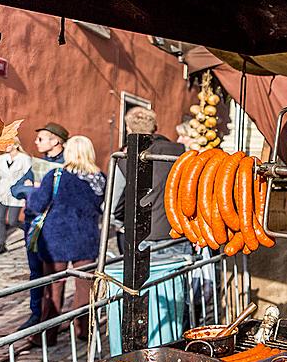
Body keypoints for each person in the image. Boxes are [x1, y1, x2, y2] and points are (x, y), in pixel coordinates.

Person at [27, 135, 106, 344]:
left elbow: (36, 203)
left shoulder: (56, 175)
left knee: (53, 289)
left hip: (56, 240)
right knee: (84, 289)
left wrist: (32, 190)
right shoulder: (100, 178)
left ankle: (47, 335)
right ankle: (83, 330)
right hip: (86, 239)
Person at [11, 122, 68, 330]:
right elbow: (15, 188)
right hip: (33, 224)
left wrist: (35, 189)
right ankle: (36, 314)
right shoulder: (35, 164)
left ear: (56, 141)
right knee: (35, 271)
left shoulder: (68, 164)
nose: (36, 142)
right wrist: (32, 191)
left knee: (54, 274)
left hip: (54, 226)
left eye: (41, 138)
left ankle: (51, 317)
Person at [111, 107, 188, 257]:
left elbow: (116, 204)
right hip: (178, 232)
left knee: (147, 280)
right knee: (177, 279)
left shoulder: (126, 158)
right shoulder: (181, 151)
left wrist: (121, 222)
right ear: (155, 128)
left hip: (143, 235)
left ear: (129, 129)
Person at [0, 138, 31, 253]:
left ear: (16, 145)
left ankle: (30, 231)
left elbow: (28, 175)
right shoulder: (1, 159)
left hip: (15, 194)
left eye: (8, 143)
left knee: (13, 221)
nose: (5, 145)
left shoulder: (24, 159)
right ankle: (1, 244)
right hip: (1, 193)